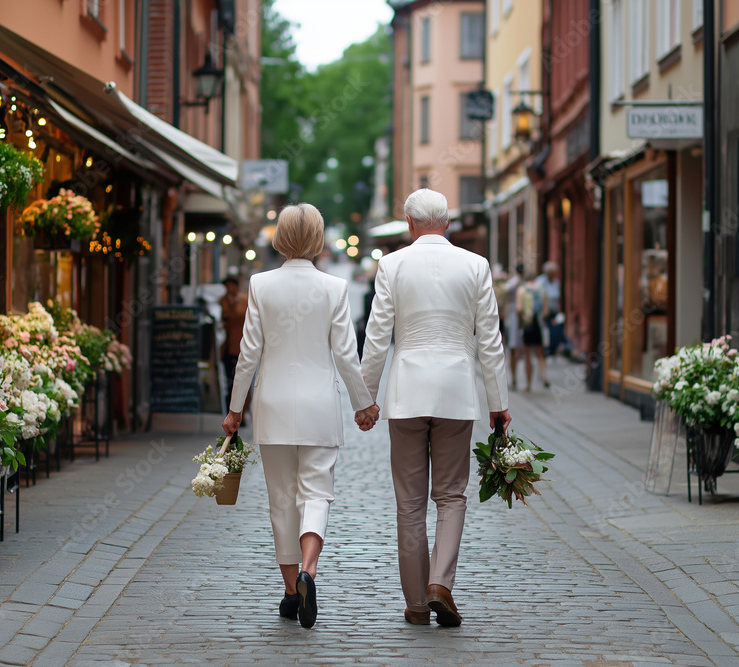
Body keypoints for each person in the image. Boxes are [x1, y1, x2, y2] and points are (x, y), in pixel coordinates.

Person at [222, 203, 380, 630]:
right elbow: (347, 355)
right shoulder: (333, 286)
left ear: (279, 237)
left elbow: (247, 354)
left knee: (280, 500)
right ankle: (310, 569)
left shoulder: (260, 284)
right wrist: (363, 403)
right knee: (316, 492)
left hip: (272, 405)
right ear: (318, 239)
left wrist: (236, 409)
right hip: (319, 407)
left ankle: (292, 592)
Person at [361, 188, 510, 627]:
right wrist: (498, 403)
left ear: (409, 224)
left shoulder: (391, 265)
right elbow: (491, 340)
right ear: (447, 224)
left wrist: (366, 398)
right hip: (456, 393)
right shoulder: (475, 265)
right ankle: (440, 583)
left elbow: (377, 336)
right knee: (451, 495)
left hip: (406, 393)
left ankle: (415, 604)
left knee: (409, 504)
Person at [219, 276, 248, 418]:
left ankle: (243, 411)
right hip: (228, 346)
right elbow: (223, 318)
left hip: (243, 346)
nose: (229, 289)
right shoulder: (224, 301)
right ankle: (230, 411)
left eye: (231, 286)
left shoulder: (245, 300)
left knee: (243, 381)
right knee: (230, 380)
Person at [516, 269, 549, 390]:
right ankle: (544, 376)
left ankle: (529, 384)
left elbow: (519, 309)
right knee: (540, 353)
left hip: (528, 324)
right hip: (539, 323)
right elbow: (546, 310)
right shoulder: (541, 289)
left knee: (528, 354)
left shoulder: (522, 290)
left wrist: (521, 322)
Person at [535, 261, 572, 358]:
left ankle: (557, 346)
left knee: (556, 329)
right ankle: (546, 349)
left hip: (554, 311)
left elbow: (558, 298)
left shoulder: (556, 282)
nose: (553, 275)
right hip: (544, 312)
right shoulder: (540, 281)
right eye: (551, 273)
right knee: (546, 331)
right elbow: (538, 296)